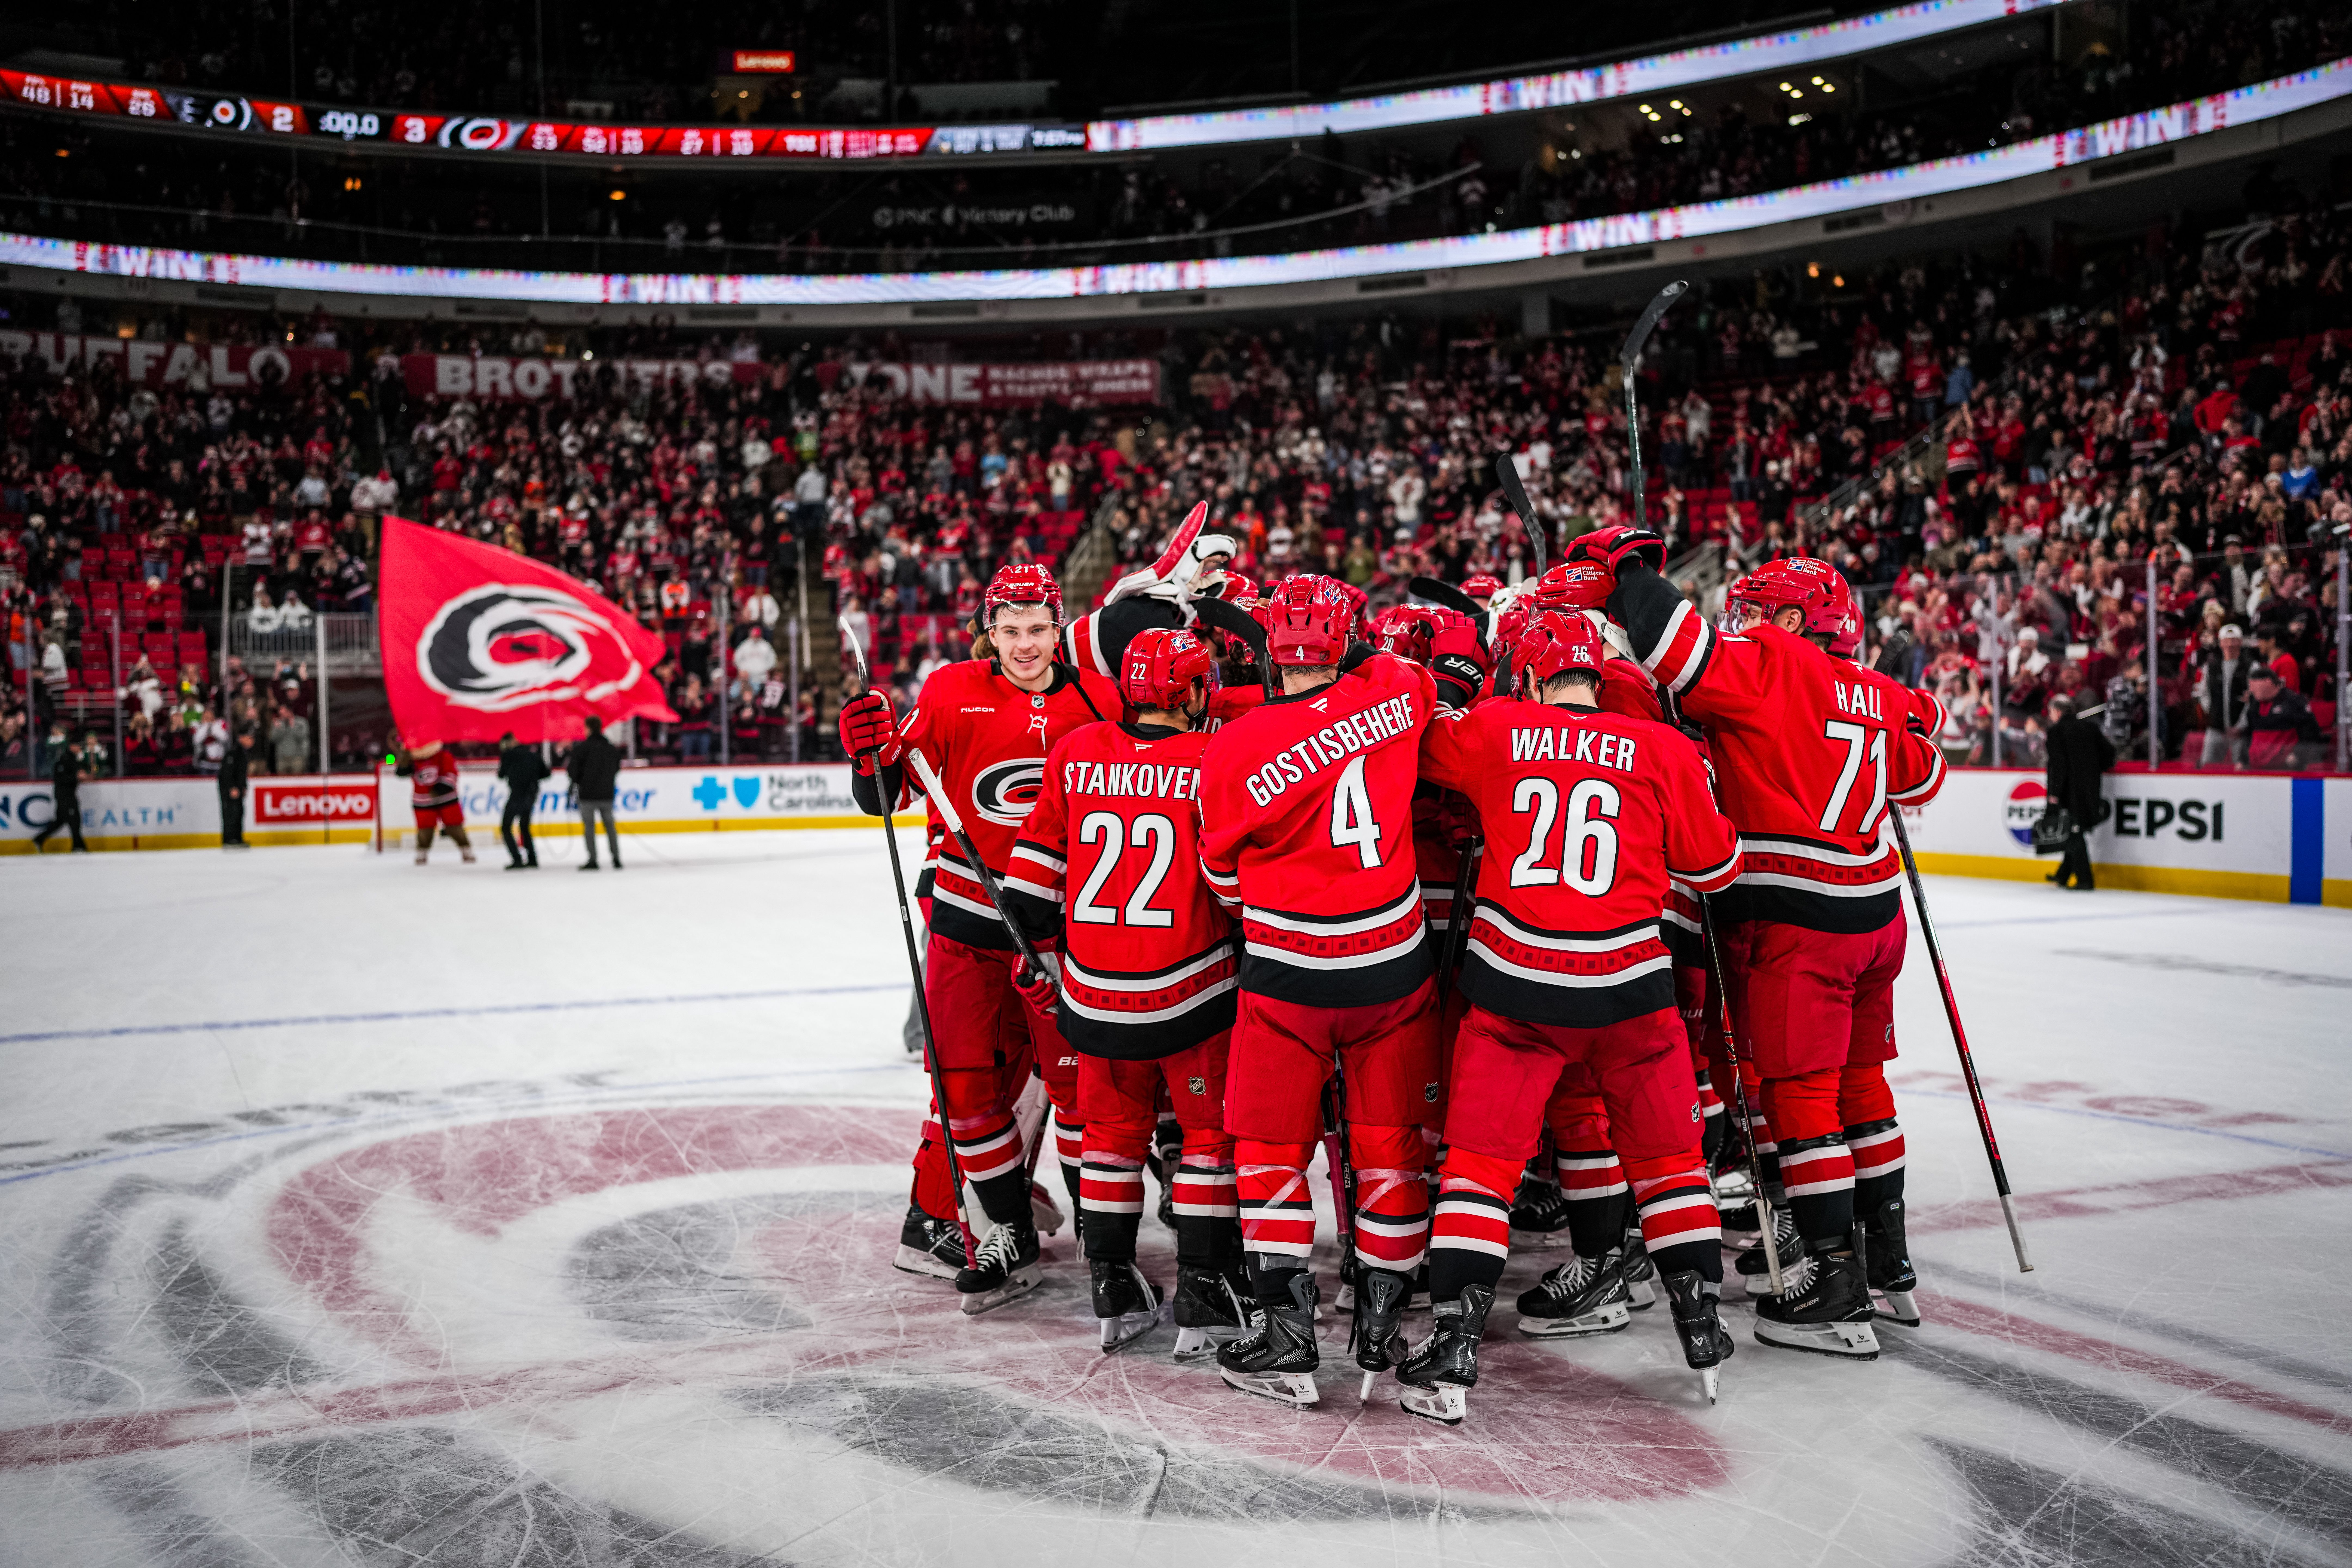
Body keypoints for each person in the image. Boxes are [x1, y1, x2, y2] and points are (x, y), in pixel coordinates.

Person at [1589, 535, 1945, 1357]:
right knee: (1864, 1083)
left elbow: (1675, 648)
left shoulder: (1774, 662)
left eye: (1757, 610)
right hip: (1877, 910)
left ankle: (1833, 1282)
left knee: (1801, 1098)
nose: (1741, 622)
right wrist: (1914, 713)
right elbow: (1924, 773)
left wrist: (1633, 570)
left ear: (1793, 617)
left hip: (1803, 920)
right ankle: (1888, 1263)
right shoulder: (1878, 687)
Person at [1401, 610, 1742, 1420]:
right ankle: (1699, 1320)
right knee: (1669, 1163)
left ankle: (1454, 1340)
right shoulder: (1661, 749)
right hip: (1633, 991)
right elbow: (1716, 865)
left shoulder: (1496, 727)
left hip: (1519, 990)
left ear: (1529, 677)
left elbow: (1425, 733)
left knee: (1480, 1168)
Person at [840, 562, 1123, 1311]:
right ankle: (1000, 1228)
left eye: (1038, 630)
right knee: (965, 1089)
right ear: (988, 633)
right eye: (1010, 631)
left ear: (1057, 629)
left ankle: (1107, 1240)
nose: (1025, 646)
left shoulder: (1098, 699)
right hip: (965, 923)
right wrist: (867, 751)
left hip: (1061, 934)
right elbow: (886, 794)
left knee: (1080, 1096)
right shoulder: (950, 690)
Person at [1194, 574, 1440, 1408]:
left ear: (1268, 651)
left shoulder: (1233, 745)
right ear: (1346, 641)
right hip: (1394, 970)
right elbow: (1390, 671)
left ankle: (1289, 1336)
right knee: (1388, 1145)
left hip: (1288, 977)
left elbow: (1223, 878)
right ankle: (1381, 1325)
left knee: (1268, 1152)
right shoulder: (1400, 698)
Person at [1003, 626, 1250, 1357]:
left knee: (1110, 1140)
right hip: (1193, 992)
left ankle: (1112, 1279)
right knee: (1207, 1139)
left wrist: (1054, 963)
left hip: (1098, 999)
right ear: (1194, 692)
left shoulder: (1077, 751)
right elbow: (1238, 889)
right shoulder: (1213, 759)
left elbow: (1028, 892)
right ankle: (1205, 1288)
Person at [2043, 697, 2113, 891]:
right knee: (2075, 829)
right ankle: (2063, 874)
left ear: (2057, 711)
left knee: (2074, 832)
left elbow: (2059, 766)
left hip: (2070, 792)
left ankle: (2085, 879)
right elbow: (2109, 755)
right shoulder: (2090, 728)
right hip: (2091, 789)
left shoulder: (2056, 732)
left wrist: (2054, 794)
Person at [397, 738, 474, 865]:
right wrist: (404, 761)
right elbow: (402, 773)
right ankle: (422, 852)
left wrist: (440, 789)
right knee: (425, 830)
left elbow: (451, 774)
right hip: (423, 801)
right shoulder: (413, 759)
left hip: (447, 799)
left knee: (454, 827)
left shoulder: (444, 756)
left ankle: (466, 849)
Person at [569, 716, 624, 870]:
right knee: (610, 828)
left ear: (588, 728)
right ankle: (616, 858)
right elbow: (617, 768)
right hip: (606, 794)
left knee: (589, 829)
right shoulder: (610, 749)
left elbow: (573, 772)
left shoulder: (582, 749)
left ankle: (593, 859)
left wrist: (581, 781)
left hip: (587, 796)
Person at [2244, 666, 2322, 769]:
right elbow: (2249, 735)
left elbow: (2311, 732)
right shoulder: (2254, 705)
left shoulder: (2293, 702)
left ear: (2268, 682)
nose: (2251, 690)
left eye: (2254, 685)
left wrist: (2298, 755)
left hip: (2286, 770)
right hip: (2257, 769)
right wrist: (2243, 760)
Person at [2197, 625, 2252, 768]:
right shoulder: (2210, 667)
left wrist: (2241, 725)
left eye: (2234, 641)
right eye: (2226, 641)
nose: (2230, 645)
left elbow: (2252, 700)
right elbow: (2203, 693)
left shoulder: (2251, 667)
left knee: (2241, 768)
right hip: (2216, 728)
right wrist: (2213, 713)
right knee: (2207, 766)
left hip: (2240, 731)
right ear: (2221, 643)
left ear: (2240, 642)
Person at [497, 732, 550, 869]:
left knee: (506, 827)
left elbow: (501, 775)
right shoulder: (532, 754)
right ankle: (532, 858)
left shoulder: (509, 755)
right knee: (525, 826)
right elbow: (546, 773)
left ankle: (517, 859)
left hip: (517, 794)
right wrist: (532, 778)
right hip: (531, 793)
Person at [31, 725, 88, 852]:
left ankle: (40, 839)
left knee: (62, 821)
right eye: (78, 746)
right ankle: (79, 846)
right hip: (64, 795)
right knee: (75, 820)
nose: (80, 748)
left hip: (68, 794)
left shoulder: (73, 758)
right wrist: (76, 776)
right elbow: (61, 778)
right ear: (72, 746)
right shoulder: (64, 759)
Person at [217, 726, 252, 850]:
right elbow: (228, 772)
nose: (252, 741)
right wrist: (232, 787)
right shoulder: (234, 752)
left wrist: (243, 787)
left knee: (239, 812)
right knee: (231, 812)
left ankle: (237, 838)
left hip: (238, 788)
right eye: (249, 738)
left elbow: (241, 773)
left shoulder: (242, 752)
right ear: (241, 738)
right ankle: (230, 839)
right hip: (230, 788)